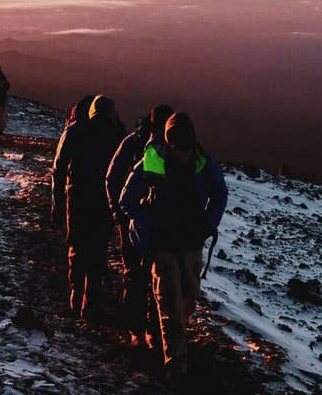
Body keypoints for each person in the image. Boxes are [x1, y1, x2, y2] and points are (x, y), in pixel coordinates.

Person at [117, 112, 227, 374]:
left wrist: (208, 224)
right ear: (169, 141)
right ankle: (176, 364)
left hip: (190, 243)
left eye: (183, 143)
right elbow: (127, 199)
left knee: (187, 301)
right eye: (176, 143)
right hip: (164, 246)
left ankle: (174, 346)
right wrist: (152, 224)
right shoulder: (155, 160)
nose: (180, 149)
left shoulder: (202, 161)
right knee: (169, 305)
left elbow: (220, 193)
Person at [50, 94, 125, 321]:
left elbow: (59, 167)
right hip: (97, 198)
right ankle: (88, 300)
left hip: (80, 196)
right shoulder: (116, 134)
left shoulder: (76, 131)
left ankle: (81, 294)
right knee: (95, 248)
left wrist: (58, 201)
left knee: (80, 245)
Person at [106, 103, 173, 347]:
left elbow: (112, 179)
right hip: (148, 224)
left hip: (134, 221)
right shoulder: (155, 148)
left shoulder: (134, 142)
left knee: (136, 277)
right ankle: (150, 331)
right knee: (155, 280)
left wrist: (119, 213)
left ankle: (138, 330)